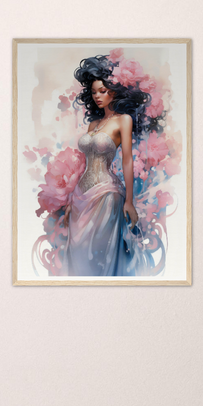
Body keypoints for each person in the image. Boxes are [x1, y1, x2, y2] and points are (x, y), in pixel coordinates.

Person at [63, 55, 150, 276]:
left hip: (106, 196)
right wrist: (73, 199)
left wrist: (129, 201)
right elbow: (85, 164)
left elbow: (127, 160)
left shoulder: (123, 120)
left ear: (114, 90)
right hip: (82, 196)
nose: (97, 96)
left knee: (99, 258)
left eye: (102, 90)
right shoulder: (93, 123)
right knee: (77, 257)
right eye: (94, 92)